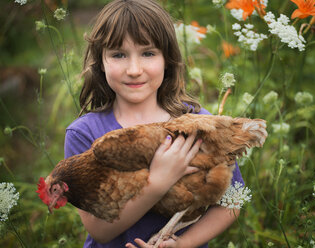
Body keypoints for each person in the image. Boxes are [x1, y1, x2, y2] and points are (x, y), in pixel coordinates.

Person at [64, 0, 245, 247]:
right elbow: (100, 231)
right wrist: (158, 182)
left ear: (167, 59)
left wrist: (183, 244)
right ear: (101, 61)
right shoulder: (84, 134)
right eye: (118, 55)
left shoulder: (195, 122)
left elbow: (232, 202)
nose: (134, 69)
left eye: (148, 53)